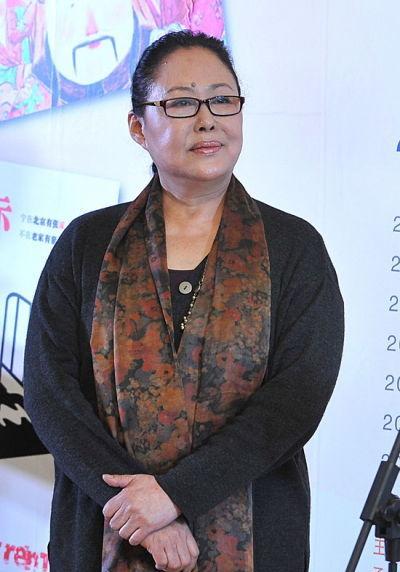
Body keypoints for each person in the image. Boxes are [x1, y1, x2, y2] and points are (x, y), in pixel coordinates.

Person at [24, 30, 344, 572]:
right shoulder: (86, 244)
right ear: (138, 127)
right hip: (104, 530)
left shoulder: (295, 248)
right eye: (180, 103)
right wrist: (138, 510)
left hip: (256, 538)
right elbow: (50, 393)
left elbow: (297, 398)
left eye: (222, 100)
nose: (207, 119)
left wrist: (174, 495)